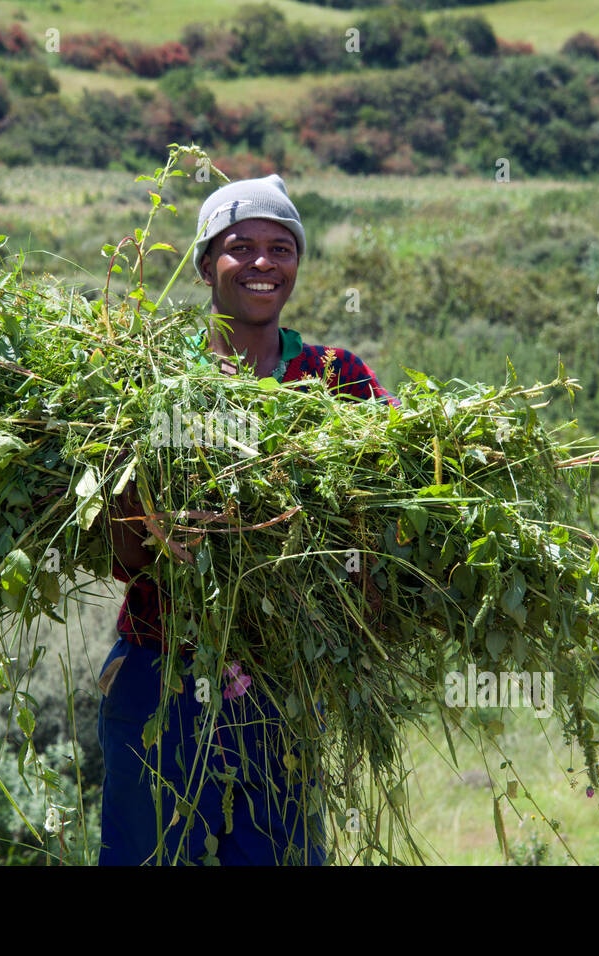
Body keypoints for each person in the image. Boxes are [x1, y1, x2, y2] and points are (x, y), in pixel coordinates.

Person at [96, 174, 399, 866]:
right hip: (160, 667)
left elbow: (382, 515)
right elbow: (122, 557)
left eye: (281, 247)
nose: (263, 263)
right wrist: (150, 517)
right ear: (206, 264)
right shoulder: (157, 375)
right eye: (241, 247)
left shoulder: (336, 377)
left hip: (284, 682)